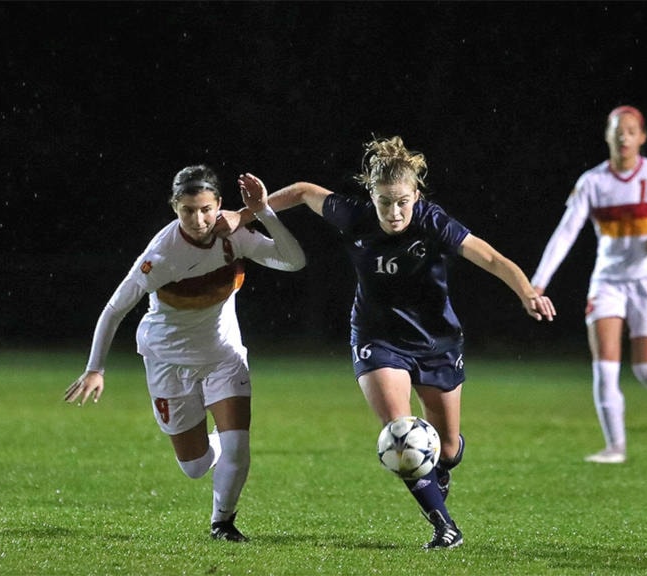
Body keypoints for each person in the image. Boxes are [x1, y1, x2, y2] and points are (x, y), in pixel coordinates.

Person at [223, 136, 555, 549]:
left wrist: (526, 293)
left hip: (436, 341)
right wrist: (245, 214)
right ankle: (445, 527)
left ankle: (440, 467)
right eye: (384, 202)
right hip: (377, 338)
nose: (394, 212)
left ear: (416, 195)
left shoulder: (432, 221)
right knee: (400, 435)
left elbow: (489, 257)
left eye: (402, 201)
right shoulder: (353, 215)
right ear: (372, 196)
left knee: (447, 448)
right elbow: (305, 192)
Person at [63, 166, 306, 541]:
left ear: (219, 204)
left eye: (206, 209)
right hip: (169, 361)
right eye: (188, 210)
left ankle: (221, 523)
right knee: (194, 466)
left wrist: (262, 212)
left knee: (238, 446)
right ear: (175, 207)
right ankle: (213, 442)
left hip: (224, 356)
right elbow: (114, 309)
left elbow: (293, 261)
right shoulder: (162, 256)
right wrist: (95, 369)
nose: (199, 219)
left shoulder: (233, 235)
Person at [530, 105, 647, 464]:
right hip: (608, 281)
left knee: (646, 369)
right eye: (617, 130)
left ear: (642, 137)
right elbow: (566, 233)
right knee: (604, 366)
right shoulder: (593, 182)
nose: (623, 136)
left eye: (630, 130)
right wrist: (539, 282)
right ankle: (615, 447)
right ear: (607, 136)